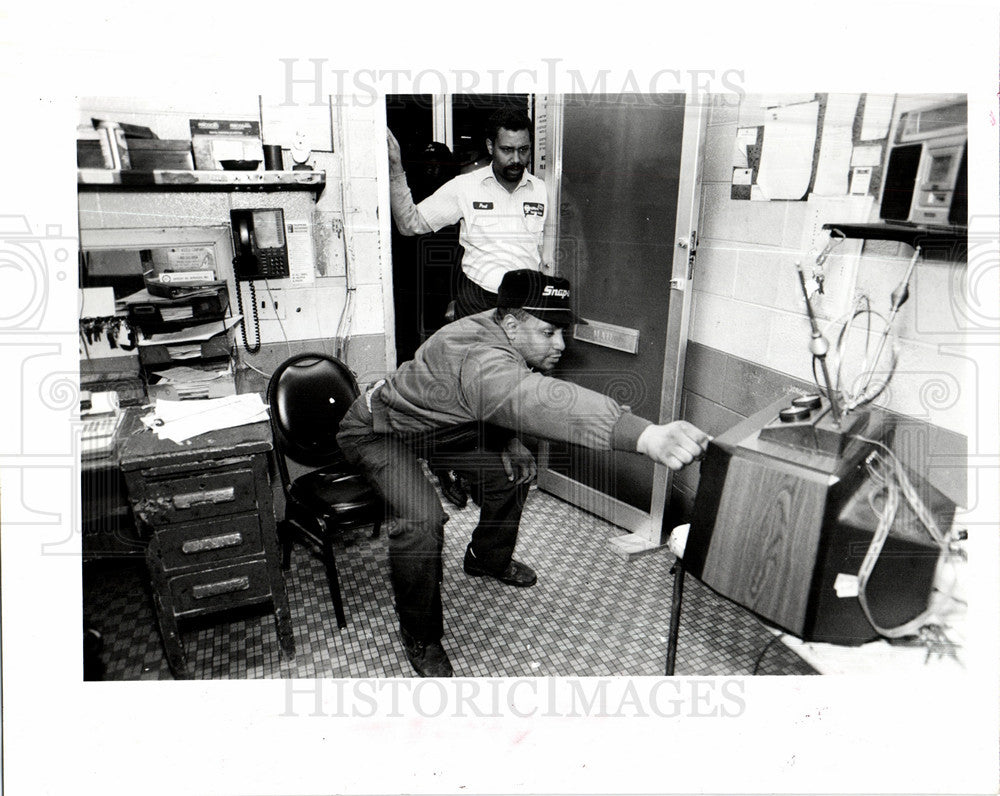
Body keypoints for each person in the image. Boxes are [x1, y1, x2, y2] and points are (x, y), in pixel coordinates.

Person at [336, 269, 711, 678]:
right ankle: (420, 635)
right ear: (512, 324)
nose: (561, 345)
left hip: (441, 426)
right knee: (422, 520)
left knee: (512, 473)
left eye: (562, 332)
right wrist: (643, 434)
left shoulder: (500, 333)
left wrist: (511, 444)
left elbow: (500, 395)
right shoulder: (476, 355)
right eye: (549, 333)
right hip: (379, 429)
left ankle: (486, 559)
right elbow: (528, 396)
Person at [387, 108, 550, 320]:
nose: (516, 159)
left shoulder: (543, 191)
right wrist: (395, 167)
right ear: (491, 146)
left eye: (523, 149)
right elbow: (410, 223)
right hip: (478, 303)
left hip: (527, 305)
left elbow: (549, 253)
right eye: (507, 150)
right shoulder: (465, 187)